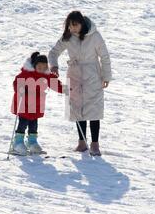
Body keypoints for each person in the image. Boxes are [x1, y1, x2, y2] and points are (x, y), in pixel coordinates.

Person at [48, 11, 112, 156]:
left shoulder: (95, 36)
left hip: (93, 75)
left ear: (82, 23)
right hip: (75, 75)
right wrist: (54, 67)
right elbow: (53, 53)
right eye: (70, 26)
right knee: (78, 109)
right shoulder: (68, 37)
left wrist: (106, 76)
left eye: (75, 25)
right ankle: (82, 142)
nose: (72, 28)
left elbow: (104, 56)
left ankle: (95, 144)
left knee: (94, 108)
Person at [11, 52, 65, 155]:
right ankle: (18, 142)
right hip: (24, 104)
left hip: (36, 105)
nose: (42, 69)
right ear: (34, 66)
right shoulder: (26, 73)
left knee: (34, 124)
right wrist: (20, 89)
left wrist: (65, 89)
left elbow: (55, 84)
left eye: (44, 67)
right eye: (39, 66)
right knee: (23, 123)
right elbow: (17, 82)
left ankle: (32, 142)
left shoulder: (46, 75)